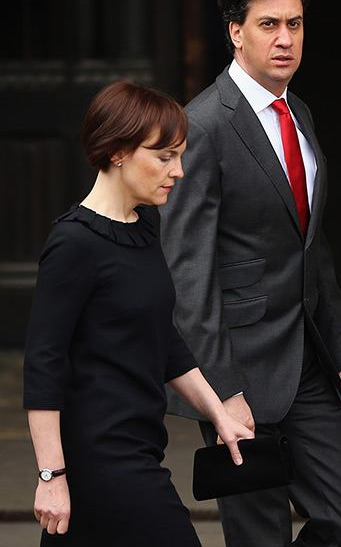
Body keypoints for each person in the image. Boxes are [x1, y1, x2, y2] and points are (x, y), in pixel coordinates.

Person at [159, 0, 341, 547]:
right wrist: (221, 390)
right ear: (236, 31)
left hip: (304, 358)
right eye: (268, 24)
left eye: (296, 24)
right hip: (237, 370)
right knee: (260, 537)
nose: (285, 39)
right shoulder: (201, 126)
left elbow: (311, 245)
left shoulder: (297, 113)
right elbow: (188, 272)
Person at [23, 80, 254, 547]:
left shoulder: (143, 227)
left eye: (180, 155)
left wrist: (219, 414)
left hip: (141, 444)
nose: (180, 171)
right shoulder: (73, 244)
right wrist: (52, 475)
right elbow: (43, 365)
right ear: (118, 152)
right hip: (99, 457)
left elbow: (164, 341)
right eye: (165, 156)